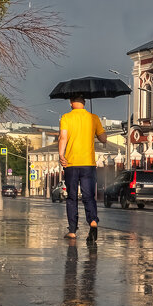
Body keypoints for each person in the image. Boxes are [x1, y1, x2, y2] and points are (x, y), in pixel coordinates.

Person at [58, 95, 107, 244]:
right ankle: (92, 220)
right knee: (88, 196)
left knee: (72, 197)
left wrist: (61, 155)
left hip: (71, 164)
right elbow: (103, 138)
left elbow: (63, 138)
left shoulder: (66, 117)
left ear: (71, 103)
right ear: (84, 103)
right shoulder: (93, 118)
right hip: (88, 164)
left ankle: (72, 231)